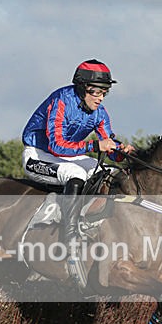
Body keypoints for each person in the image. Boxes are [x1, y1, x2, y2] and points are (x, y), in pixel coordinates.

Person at [21, 59, 134, 287]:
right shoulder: (61, 100)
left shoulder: (99, 112)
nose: (100, 98)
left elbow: (108, 144)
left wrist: (122, 151)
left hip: (69, 155)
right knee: (75, 175)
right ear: (82, 89)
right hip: (39, 154)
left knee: (112, 174)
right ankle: (70, 240)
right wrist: (94, 146)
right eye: (96, 92)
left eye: (105, 93)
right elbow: (56, 145)